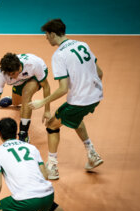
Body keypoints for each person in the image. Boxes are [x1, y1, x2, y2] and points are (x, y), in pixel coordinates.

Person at [28, 18, 104, 180]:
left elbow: (63, 89)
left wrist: (42, 102)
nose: (46, 38)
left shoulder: (59, 55)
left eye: (47, 35)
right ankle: (92, 154)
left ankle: (52, 166)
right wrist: (90, 91)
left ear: (53, 34)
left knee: (52, 125)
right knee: (75, 119)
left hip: (79, 101)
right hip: (96, 96)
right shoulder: (83, 44)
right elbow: (100, 73)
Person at [0, 118, 82, 211]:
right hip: (47, 195)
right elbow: (45, 176)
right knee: (50, 204)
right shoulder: (31, 148)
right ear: (16, 131)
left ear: (0, 134)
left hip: (24, 201)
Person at [0, 52, 51, 144]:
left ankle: (23, 132)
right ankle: (13, 100)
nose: (12, 77)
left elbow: (46, 87)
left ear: (19, 67)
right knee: (16, 103)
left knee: (26, 94)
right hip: (21, 80)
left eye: (13, 73)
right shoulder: (2, 75)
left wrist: (47, 110)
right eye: (9, 74)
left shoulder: (33, 64)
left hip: (34, 75)